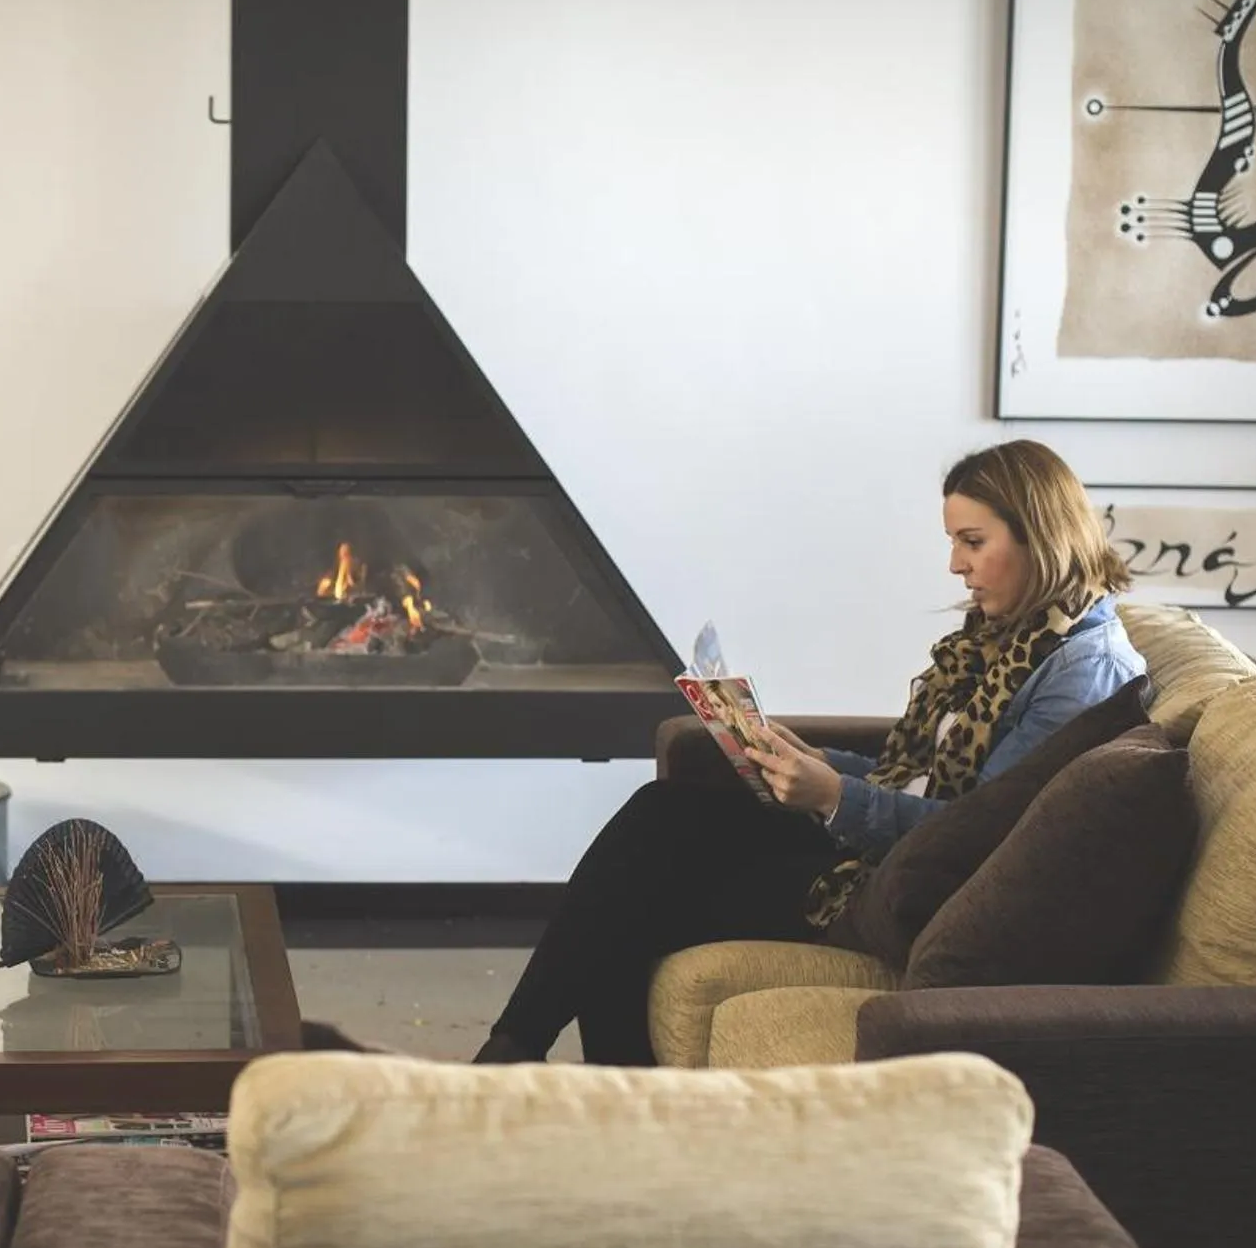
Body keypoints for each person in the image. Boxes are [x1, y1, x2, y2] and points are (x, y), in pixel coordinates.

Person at [474, 439, 1146, 1066]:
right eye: (954, 542)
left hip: (912, 887)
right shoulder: (1010, 638)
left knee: (644, 892)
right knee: (662, 814)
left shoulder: (1081, 671)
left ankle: (527, 1059)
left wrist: (834, 798)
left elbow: (977, 834)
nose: (955, 565)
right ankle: (526, 1054)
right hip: (892, 850)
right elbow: (920, 778)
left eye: (972, 542)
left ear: (1041, 536)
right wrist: (821, 761)